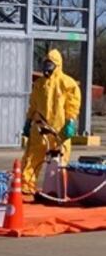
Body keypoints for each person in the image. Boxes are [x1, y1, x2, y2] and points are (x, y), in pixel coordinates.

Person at [21, 49, 81, 195]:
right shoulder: (39, 84)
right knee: (31, 158)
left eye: (50, 65)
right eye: (45, 64)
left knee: (60, 162)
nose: (47, 68)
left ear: (57, 65)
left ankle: (59, 190)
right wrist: (29, 121)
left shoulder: (67, 83)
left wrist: (71, 121)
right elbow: (33, 104)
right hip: (41, 128)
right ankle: (25, 188)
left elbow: (72, 105)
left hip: (60, 129)